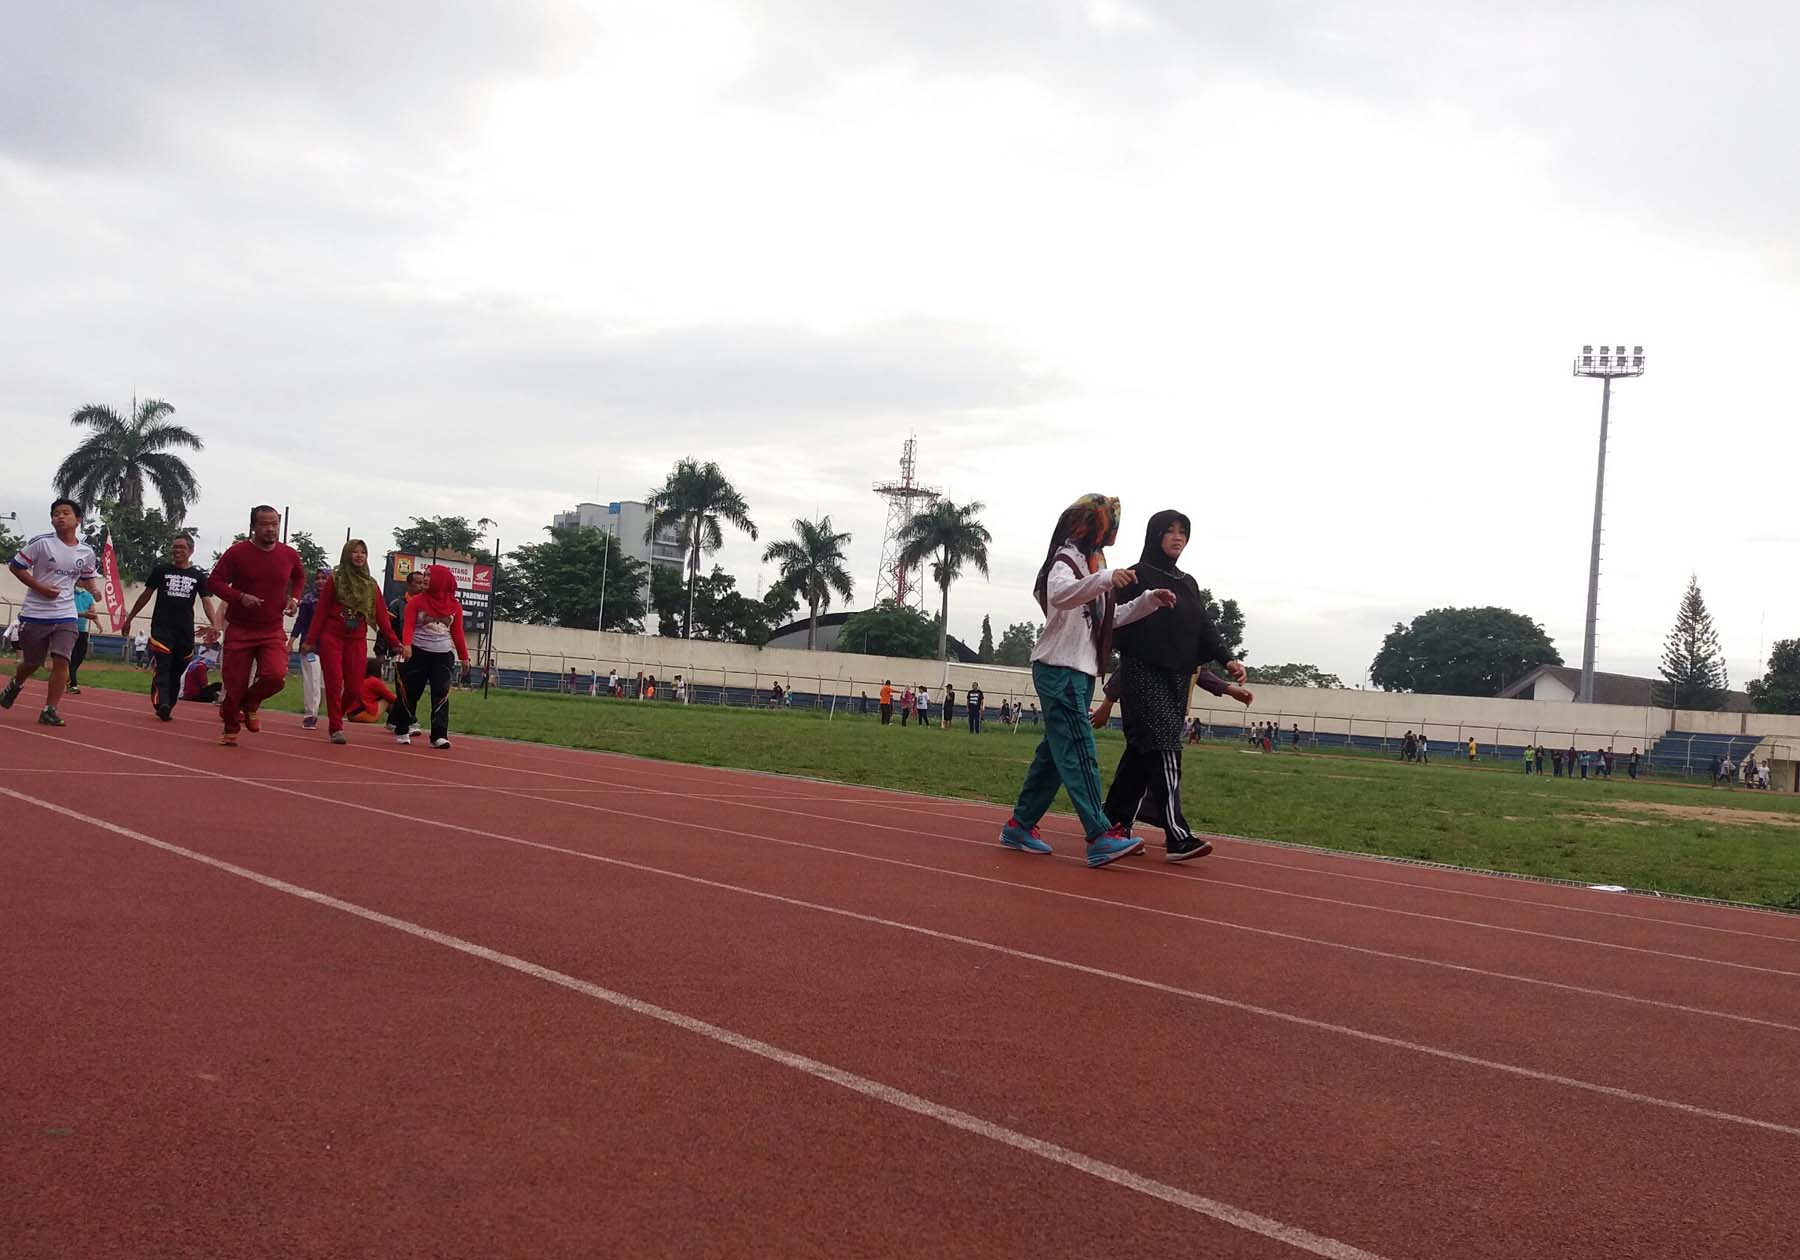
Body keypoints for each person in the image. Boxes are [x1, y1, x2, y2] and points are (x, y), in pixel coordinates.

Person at [998, 494, 1175, 869]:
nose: (1113, 530)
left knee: (1054, 756)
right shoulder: (1066, 559)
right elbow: (1060, 595)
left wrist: (1147, 602)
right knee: (1079, 750)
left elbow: (1104, 618)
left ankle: (1020, 824)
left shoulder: (1094, 563)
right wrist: (1106, 578)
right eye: (1110, 522)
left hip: (1079, 671)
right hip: (1058, 668)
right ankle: (1099, 834)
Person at [1085, 510, 1248, 862]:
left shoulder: (1188, 583)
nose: (1177, 537)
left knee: (1142, 750)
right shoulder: (1137, 575)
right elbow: (1114, 622)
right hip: (1143, 673)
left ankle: (1113, 821)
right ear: (1154, 535)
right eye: (1169, 531)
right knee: (1164, 747)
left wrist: (1228, 659)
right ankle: (1177, 835)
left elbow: (1204, 626)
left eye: (1183, 532)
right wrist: (1111, 696)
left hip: (1177, 678)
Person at [207, 506, 305, 745]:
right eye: (264, 524)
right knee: (235, 685)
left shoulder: (288, 554)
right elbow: (214, 582)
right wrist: (240, 597)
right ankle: (231, 727)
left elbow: (299, 577)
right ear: (253, 526)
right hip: (240, 629)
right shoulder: (237, 553)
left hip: (272, 629)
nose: (270, 529)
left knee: (276, 676)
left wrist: (294, 599)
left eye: (274, 524)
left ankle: (251, 703)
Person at [2, 499, 103, 727]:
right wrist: (41, 588)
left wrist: (95, 590)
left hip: (66, 613)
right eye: (56, 513)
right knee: (33, 662)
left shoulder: (86, 551)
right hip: (36, 612)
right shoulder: (41, 543)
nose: (60, 517)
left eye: (65, 513)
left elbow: (86, 577)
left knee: (61, 659)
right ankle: (15, 684)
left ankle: (50, 709)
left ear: (78, 520)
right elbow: (16, 566)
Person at [299, 537, 402, 746]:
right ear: (347, 554)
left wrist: (394, 642)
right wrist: (310, 640)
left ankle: (337, 713)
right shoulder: (335, 580)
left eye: (363, 552)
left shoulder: (371, 585)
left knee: (354, 688)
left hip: (356, 640)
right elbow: (320, 613)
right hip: (332, 638)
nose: (359, 556)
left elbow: (382, 616)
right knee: (334, 683)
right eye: (355, 552)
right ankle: (335, 727)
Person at [122, 533, 223, 721]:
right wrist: (130, 618)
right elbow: (146, 595)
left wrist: (215, 625)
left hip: (184, 631)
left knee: (176, 671)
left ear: (191, 551)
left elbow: (207, 602)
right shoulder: (161, 571)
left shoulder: (198, 577)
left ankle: (168, 704)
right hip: (162, 628)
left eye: (182, 547)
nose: (177, 551)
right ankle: (163, 703)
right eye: (175, 547)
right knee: (163, 665)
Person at [392, 565, 470, 749]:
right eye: (425, 575)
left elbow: (457, 633)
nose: (425, 579)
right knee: (411, 691)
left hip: (443, 655)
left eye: (429, 575)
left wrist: (464, 657)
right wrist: (408, 645)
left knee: (441, 693)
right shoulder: (416, 602)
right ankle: (403, 728)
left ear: (441, 580)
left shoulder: (455, 606)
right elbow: (408, 625)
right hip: (418, 652)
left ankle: (439, 735)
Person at [285, 565, 330, 729]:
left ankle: (327, 712)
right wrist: (291, 642)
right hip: (310, 647)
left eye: (324, 578)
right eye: (317, 578)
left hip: (330, 647)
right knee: (313, 679)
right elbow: (300, 623)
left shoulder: (336, 600)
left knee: (325, 682)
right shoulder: (308, 600)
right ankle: (310, 715)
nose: (320, 581)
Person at [66, 582, 102, 694]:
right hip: (70, 628)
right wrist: (83, 614)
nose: (84, 582)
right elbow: (67, 612)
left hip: (83, 630)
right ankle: (73, 684)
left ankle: (68, 675)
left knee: (81, 656)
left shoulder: (88, 595)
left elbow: (92, 612)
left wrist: (98, 623)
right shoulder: (69, 593)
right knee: (72, 657)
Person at [347, 658, 398, 722]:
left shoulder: (363, 679)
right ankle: (397, 721)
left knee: (385, 699)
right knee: (387, 700)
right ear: (378, 669)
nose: (383, 671)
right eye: (382, 668)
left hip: (351, 714)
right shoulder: (374, 681)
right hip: (361, 714)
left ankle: (395, 721)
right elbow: (392, 698)